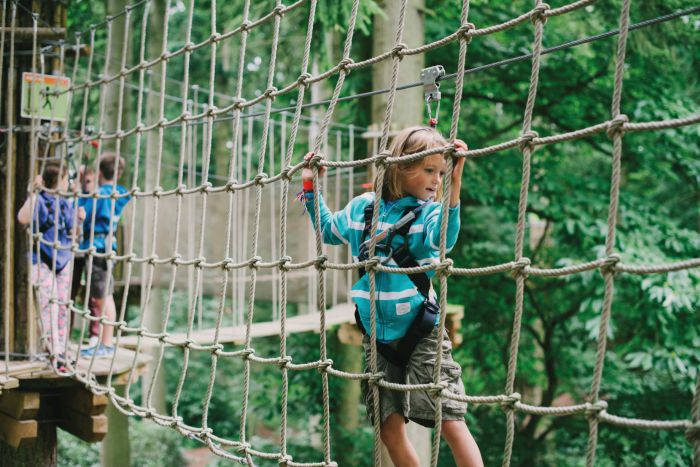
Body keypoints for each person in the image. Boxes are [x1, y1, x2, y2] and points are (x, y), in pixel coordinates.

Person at [301, 126, 483, 466]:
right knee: (388, 429)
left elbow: (442, 238)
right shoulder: (361, 210)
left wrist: (454, 187)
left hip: (420, 331)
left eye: (440, 173)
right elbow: (328, 229)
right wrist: (311, 185)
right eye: (429, 170)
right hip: (377, 336)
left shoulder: (426, 214)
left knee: (450, 420)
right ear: (400, 167)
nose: (435, 181)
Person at [17, 160, 84, 372]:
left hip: (63, 260)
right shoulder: (39, 200)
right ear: (59, 181)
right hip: (42, 260)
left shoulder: (65, 203)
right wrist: (33, 192)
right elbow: (22, 218)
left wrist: (79, 218)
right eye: (65, 178)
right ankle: (54, 352)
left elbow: (74, 233)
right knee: (50, 305)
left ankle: (62, 350)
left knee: (63, 304)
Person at [78, 153, 131, 358]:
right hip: (109, 245)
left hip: (97, 247)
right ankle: (104, 341)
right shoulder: (120, 192)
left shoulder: (100, 195)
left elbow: (83, 213)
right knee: (103, 296)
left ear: (99, 173)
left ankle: (106, 343)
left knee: (102, 297)